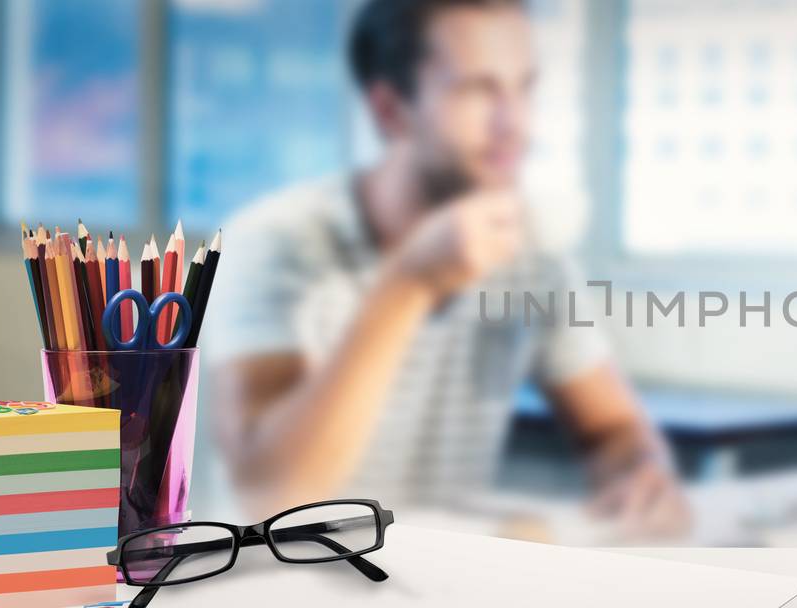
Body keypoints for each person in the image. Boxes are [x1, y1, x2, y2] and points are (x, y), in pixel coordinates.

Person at [203, 0, 688, 537]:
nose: (515, 124)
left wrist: (641, 472)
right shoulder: (276, 241)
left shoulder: (531, 254)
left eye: (524, 87)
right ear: (390, 111)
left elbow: (614, 431)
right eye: (477, 90)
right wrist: (407, 283)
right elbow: (271, 498)